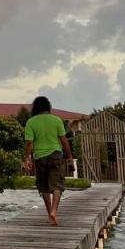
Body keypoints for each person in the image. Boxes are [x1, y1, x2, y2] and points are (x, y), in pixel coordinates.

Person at [22, 96, 73, 226]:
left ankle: (49, 211)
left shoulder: (31, 122)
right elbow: (64, 141)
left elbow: (29, 143)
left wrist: (27, 158)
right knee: (57, 185)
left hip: (39, 157)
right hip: (55, 154)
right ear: (48, 107)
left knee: (44, 186)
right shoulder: (56, 120)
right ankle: (54, 212)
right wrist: (70, 157)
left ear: (35, 107)